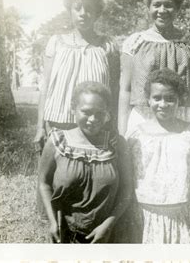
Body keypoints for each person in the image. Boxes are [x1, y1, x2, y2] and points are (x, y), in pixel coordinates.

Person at [33, 0, 119, 218]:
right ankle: (55, 231)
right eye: (77, 8)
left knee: (88, 184)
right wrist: (40, 126)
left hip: (94, 123)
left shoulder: (107, 45)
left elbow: (115, 89)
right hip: (59, 123)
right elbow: (46, 86)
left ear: (97, 12)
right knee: (55, 182)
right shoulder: (56, 42)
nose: (83, 13)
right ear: (69, 10)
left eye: (89, 8)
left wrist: (114, 125)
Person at [125, 68, 190, 243]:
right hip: (147, 214)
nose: (163, 104)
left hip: (186, 215)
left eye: (170, 99)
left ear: (180, 100)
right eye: (157, 98)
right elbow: (129, 179)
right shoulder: (135, 135)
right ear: (148, 100)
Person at [38, 81, 132, 243]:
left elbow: (127, 188)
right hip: (64, 233)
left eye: (99, 113)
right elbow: (43, 183)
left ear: (107, 113)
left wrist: (108, 225)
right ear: (73, 109)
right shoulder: (57, 141)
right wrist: (53, 222)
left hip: (105, 235)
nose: (93, 119)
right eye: (86, 112)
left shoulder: (117, 144)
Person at [118, 0, 190, 138]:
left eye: (168, 5)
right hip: (144, 117)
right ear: (148, 7)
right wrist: (122, 133)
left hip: (182, 116)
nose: (162, 10)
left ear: (178, 8)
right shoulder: (135, 42)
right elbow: (125, 90)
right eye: (156, 5)